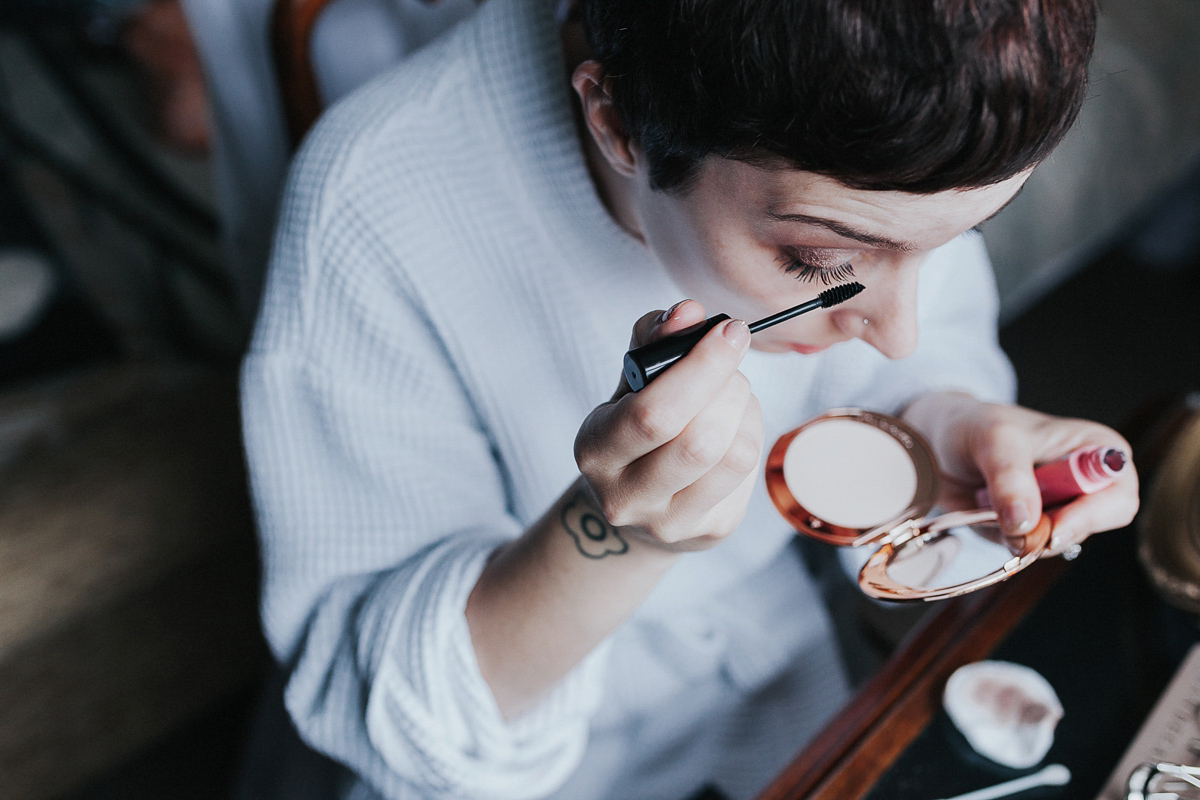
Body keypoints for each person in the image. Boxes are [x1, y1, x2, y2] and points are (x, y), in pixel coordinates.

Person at [239, 0, 1140, 798]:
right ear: (619, 119)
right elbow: (398, 717)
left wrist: (946, 419)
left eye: (953, 241)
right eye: (824, 266)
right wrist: (616, 538)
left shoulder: (890, 155)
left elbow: (913, 354)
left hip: (789, 687)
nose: (898, 326)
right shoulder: (373, 205)